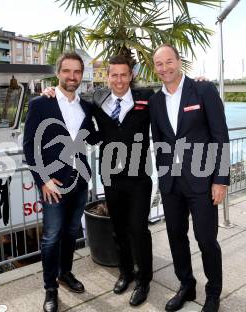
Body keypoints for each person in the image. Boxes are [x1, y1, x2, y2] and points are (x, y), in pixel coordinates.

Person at [42, 55, 154, 306]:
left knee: (138, 230)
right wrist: (51, 90)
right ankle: (126, 273)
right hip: (111, 177)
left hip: (139, 178)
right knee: (119, 230)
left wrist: (197, 83)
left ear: (131, 76)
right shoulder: (96, 100)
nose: (119, 80)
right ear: (107, 77)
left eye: (123, 75)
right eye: (113, 75)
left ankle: (144, 279)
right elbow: (71, 100)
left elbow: (173, 100)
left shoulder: (147, 97)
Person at [149, 44, 230, 312]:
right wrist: (162, 179)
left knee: (206, 239)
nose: (165, 68)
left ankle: (213, 292)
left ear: (179, 61)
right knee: (175, 236)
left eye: (168, 61)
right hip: (171, 184)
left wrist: (221, 179)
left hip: (203, 182)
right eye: (159, 64)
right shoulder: (155, 101)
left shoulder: (203, 90)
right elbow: (159, 142)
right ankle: (186, 285)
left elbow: (220, 136)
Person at [23, 52, 99, 312]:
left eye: (77, 72)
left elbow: (95, 136)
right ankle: (50, 289)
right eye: (67, 71)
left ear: (81, 75)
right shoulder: (40, 104)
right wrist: (43, 180)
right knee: (51, 237)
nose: (72, 77)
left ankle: (65, 274)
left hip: (79, 182)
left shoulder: (86, 107)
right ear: (58, 73)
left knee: (70, 233)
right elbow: (29, 147)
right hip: (53, 184)